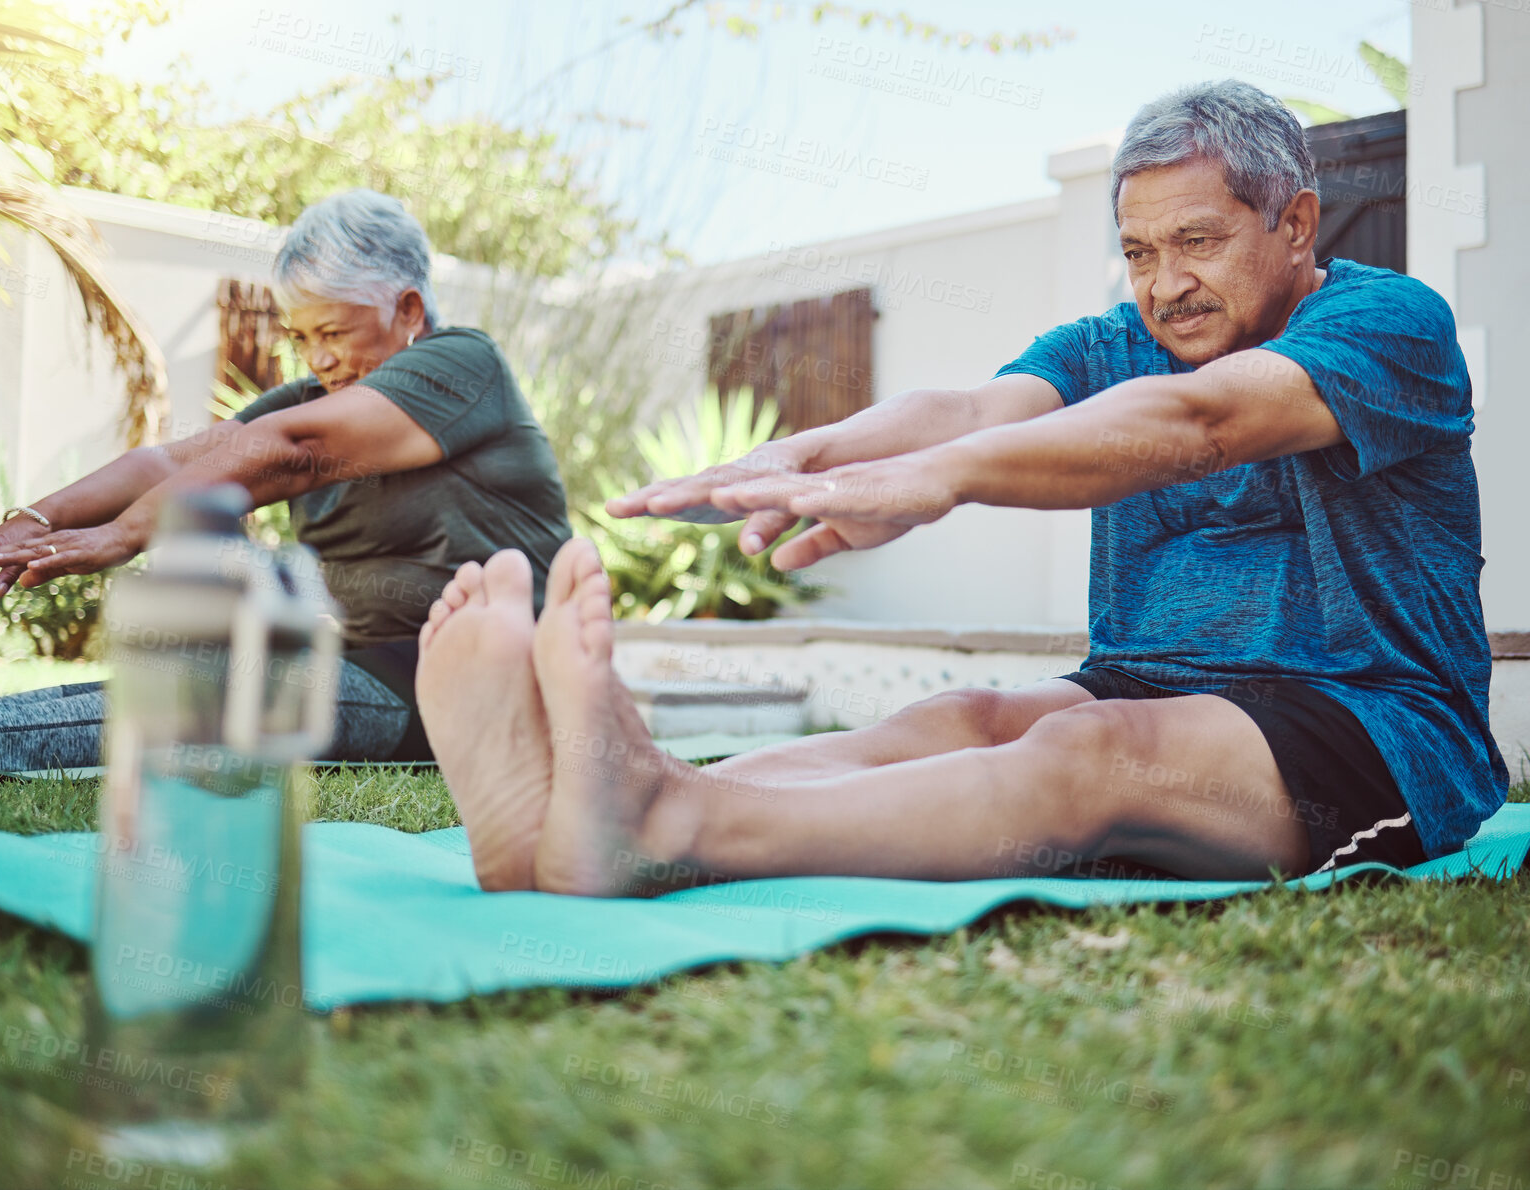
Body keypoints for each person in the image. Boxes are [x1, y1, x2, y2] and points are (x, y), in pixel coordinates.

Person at [412, 80, 1507, 895]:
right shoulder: (1117, 339)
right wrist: (818, 453)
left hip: (1374, 725)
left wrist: (932, 485)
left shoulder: (1387, 323)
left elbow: (1199, 424)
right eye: (1137, 251)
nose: (1165, 283)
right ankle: (587, 787)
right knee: (964, 713)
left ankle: (670, 822)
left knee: (1082, 752)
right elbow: (974, 410)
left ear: (1297, 224)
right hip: (1143, 676)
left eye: (1198, 242)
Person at [0, 189, 570, 770]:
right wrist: (37, 520)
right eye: (302, 337)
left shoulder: (462, 366)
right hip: (374, 668)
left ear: (407, 309)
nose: (318, 359)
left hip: (481, 679)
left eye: (336, 333)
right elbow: (172, 462)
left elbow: (297, 452)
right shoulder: (314, 401)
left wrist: (125, 534)